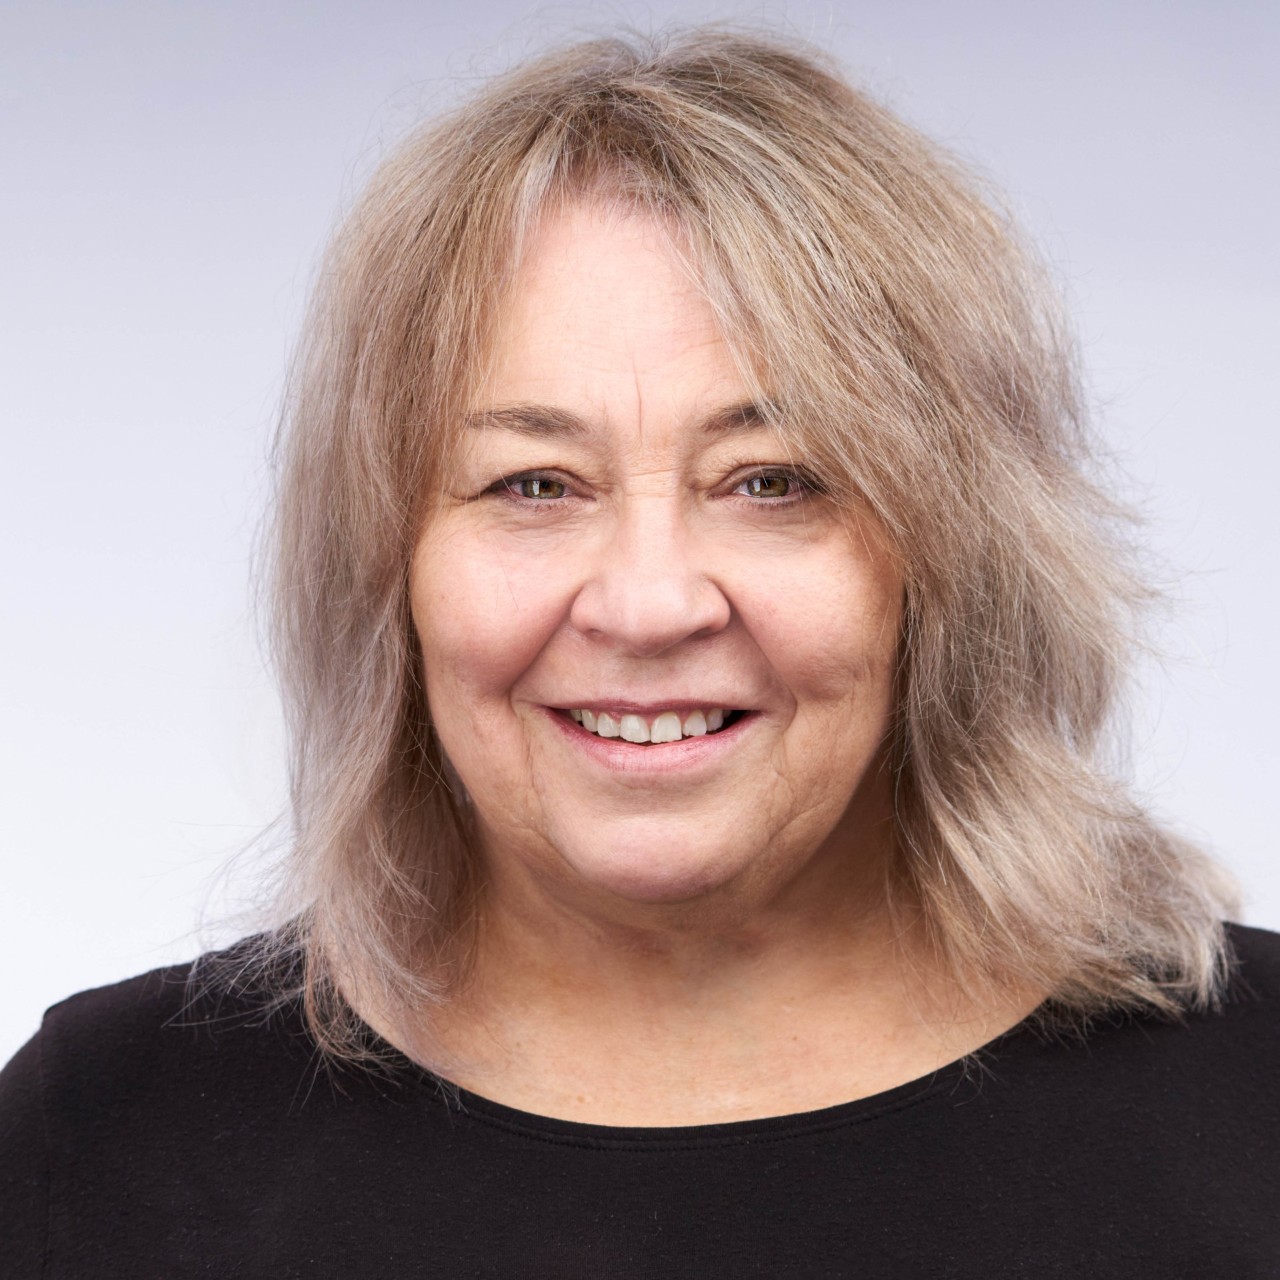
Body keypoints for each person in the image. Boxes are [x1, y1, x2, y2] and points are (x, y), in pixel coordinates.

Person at [2, 25, 1276, 1277]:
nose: (650, 602)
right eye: (534, 483)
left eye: (772, 480)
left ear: (952, 552)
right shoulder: (98, 1136)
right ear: (386, 563)